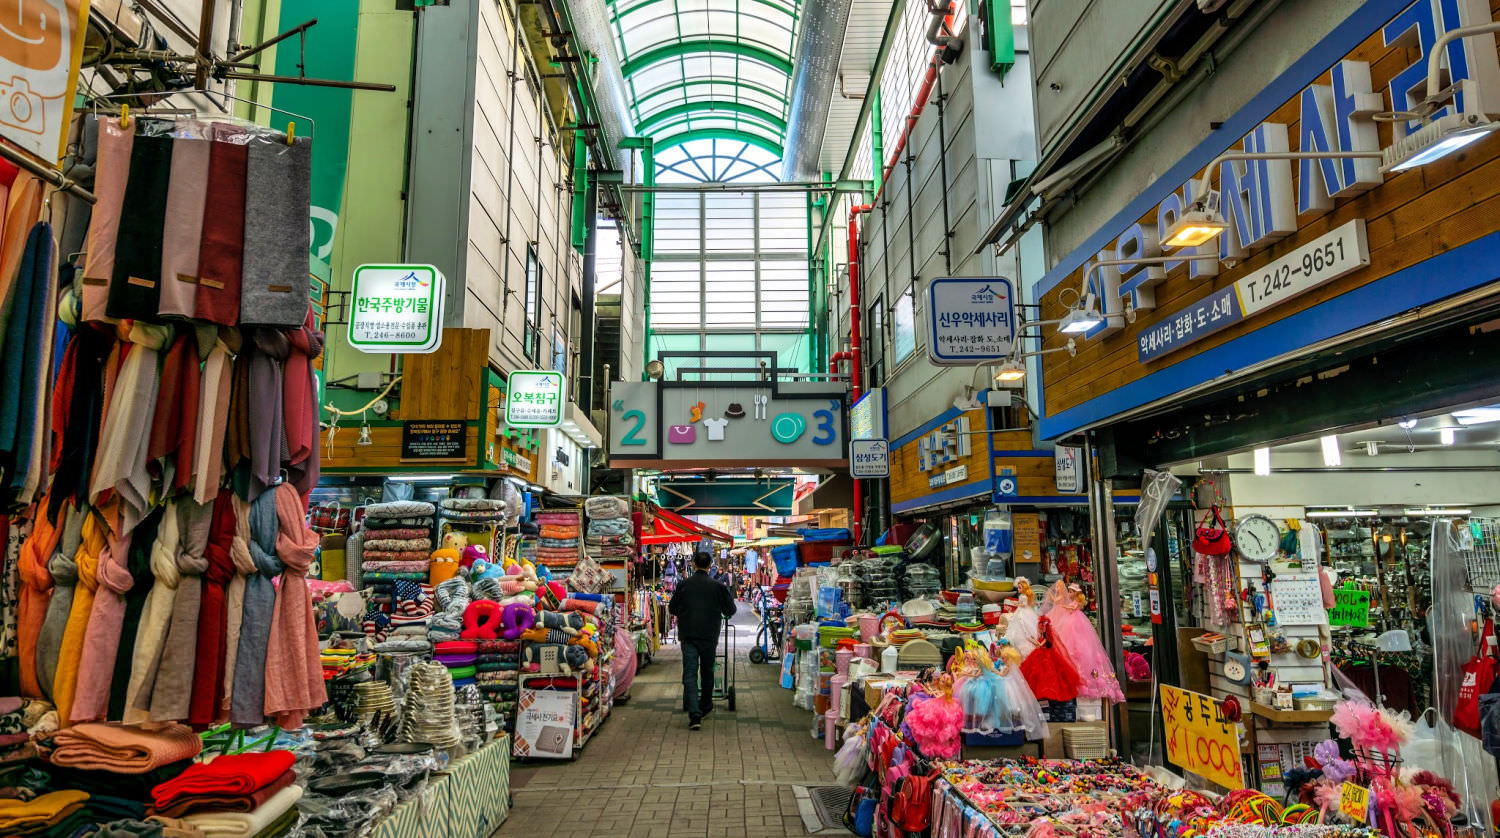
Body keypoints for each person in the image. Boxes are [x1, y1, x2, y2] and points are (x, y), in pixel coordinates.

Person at [669, 551, 736, 730]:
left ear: (693, 564)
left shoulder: (684, 585)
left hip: (688, 635)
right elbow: (731, 609)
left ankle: (694, 714)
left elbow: (672, 608)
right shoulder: (717, 586)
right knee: (707, 672)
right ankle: (706, 706)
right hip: (709, 636)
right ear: (710, 565)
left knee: (689, 674)